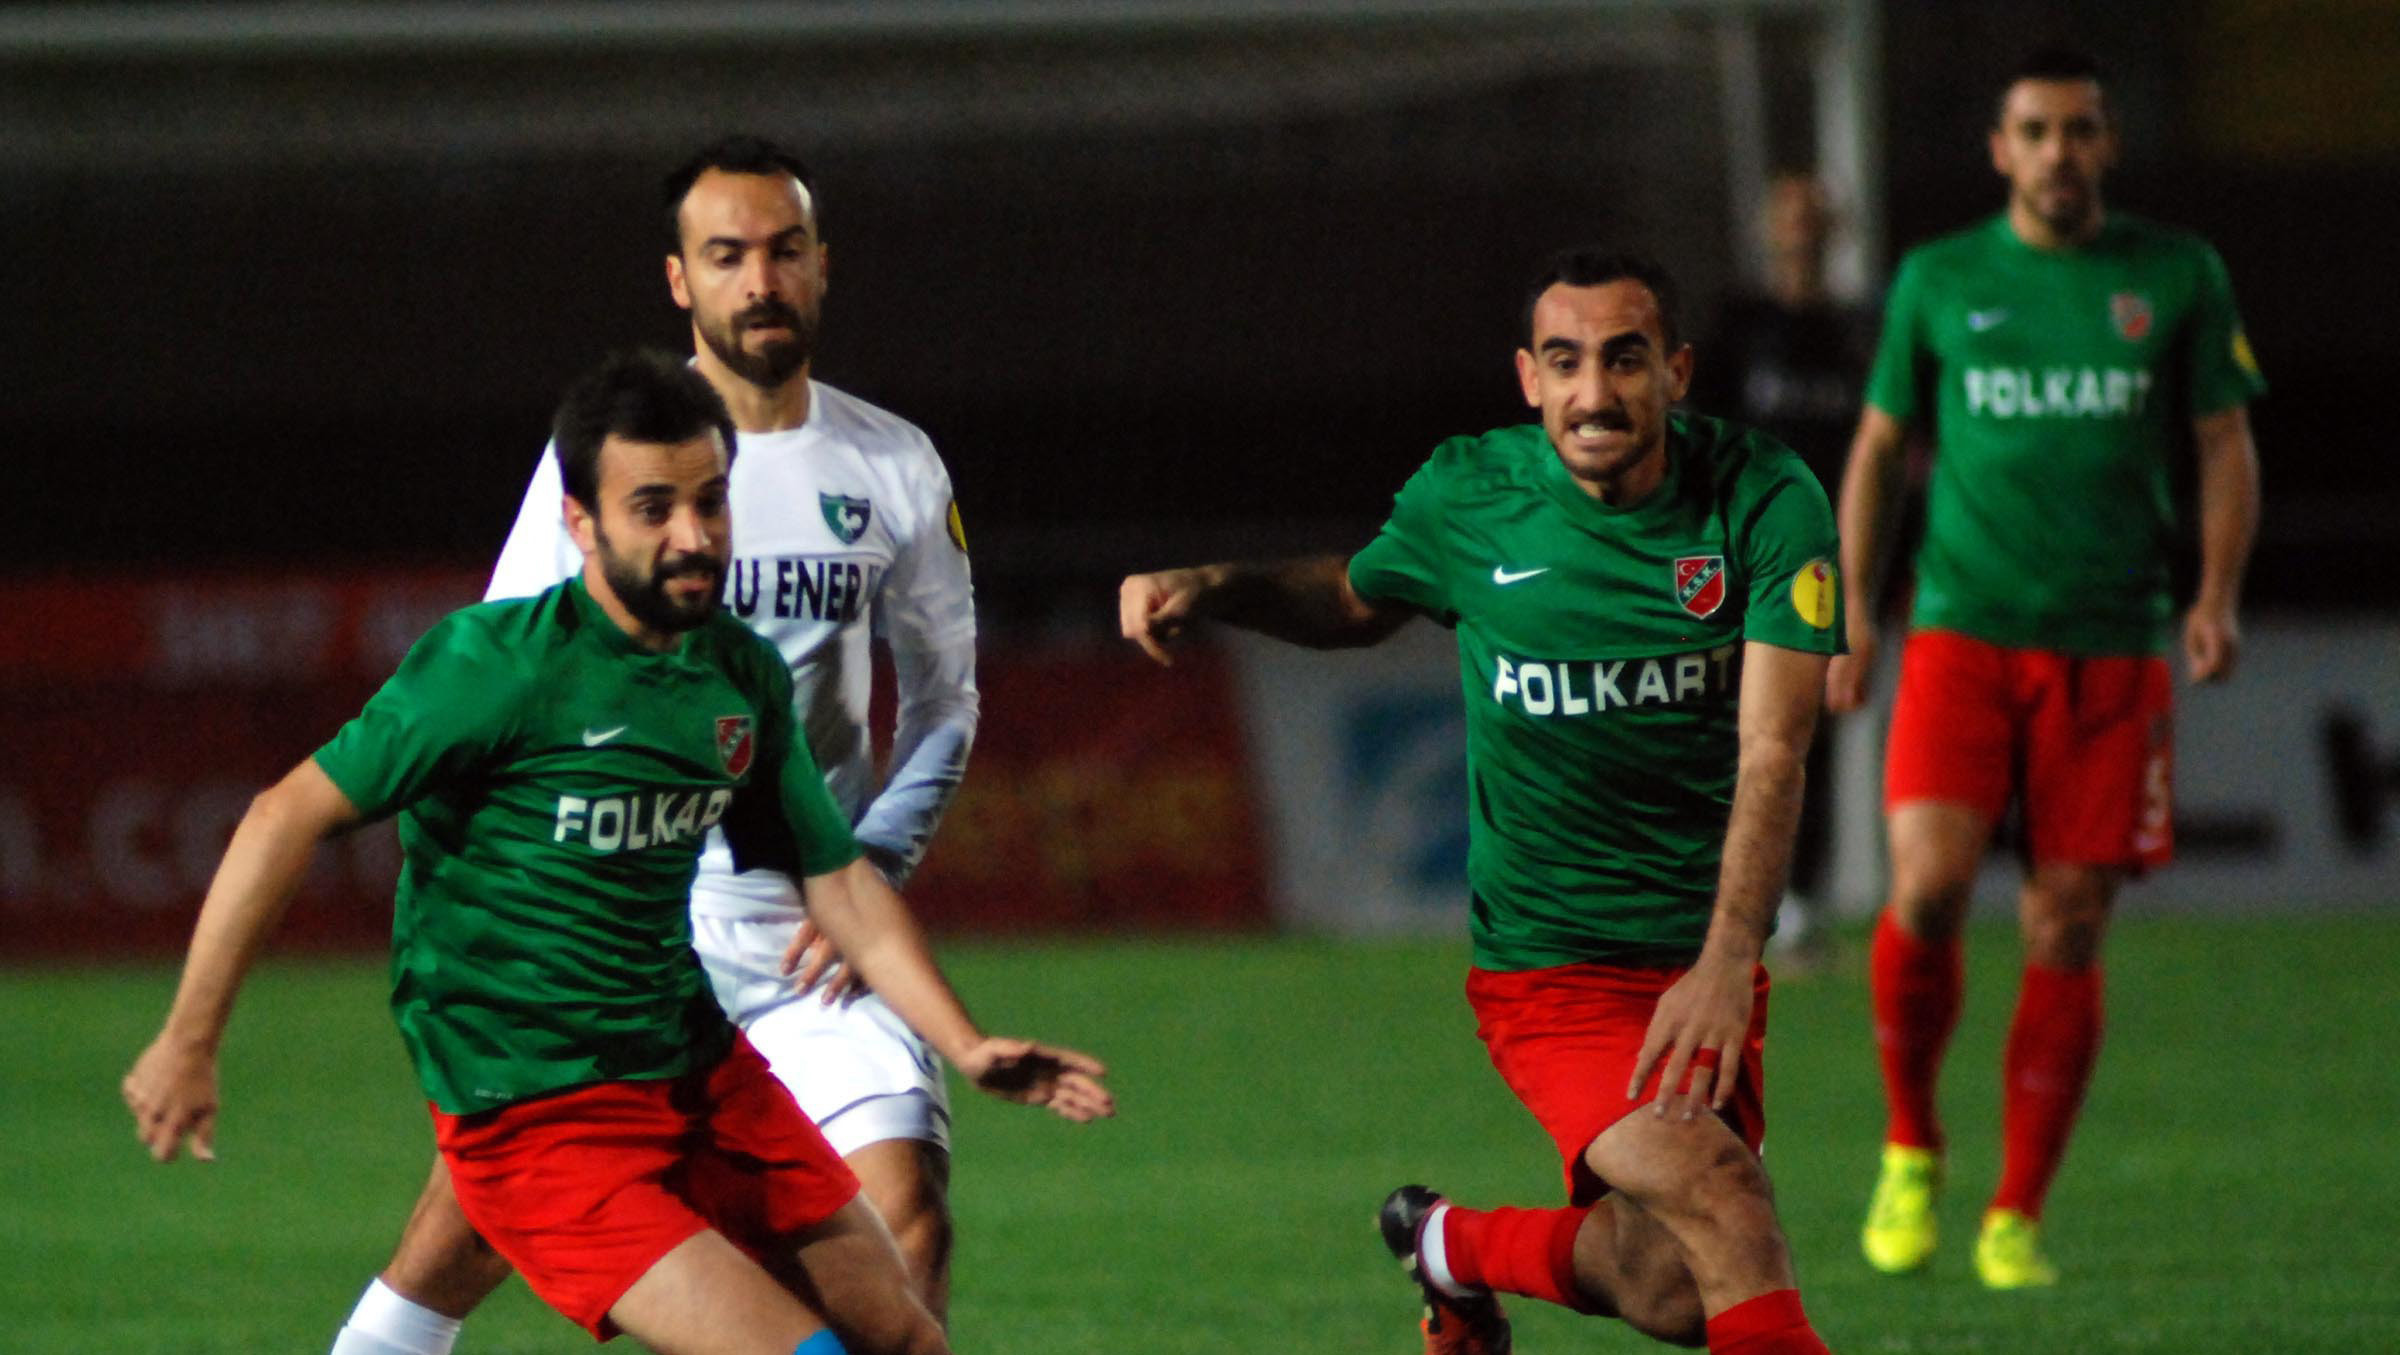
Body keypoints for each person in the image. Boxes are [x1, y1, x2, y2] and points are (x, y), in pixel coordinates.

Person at [122, 350, 1113, 1355]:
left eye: (711, 502)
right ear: (581, 522)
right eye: (653, 509)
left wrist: (965, 1043)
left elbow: (839, 881)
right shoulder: (494, 667)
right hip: (538, 1115)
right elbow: (281, 816)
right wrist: (189, 1039)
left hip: (697, 1074)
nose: (694, 536)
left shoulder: (736, 673)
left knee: (906, 1340)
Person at [325, 136, 989, 1355]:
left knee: (906, 1217)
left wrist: (874, 865)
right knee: (463, 1232)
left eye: (783, 250)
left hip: (804, 924)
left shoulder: (893, 461)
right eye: (727, 255)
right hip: (625, 916)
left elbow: (946, 698)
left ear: (822, 263)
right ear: (681, 279)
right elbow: (509, 686)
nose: (760, 280)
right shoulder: (609, 457)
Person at [1121, 250, 1840, 1355]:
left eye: (1625, 360)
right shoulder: (1470, 495)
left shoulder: (1765, 497)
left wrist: (1726, 961)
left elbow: (1775, 745)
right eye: (1567, 362)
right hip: (1553, 969)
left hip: (1701, 959)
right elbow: (1354, 599)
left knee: (1674, 1289)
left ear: (1678, 371)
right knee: (1726, 1201)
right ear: (1529, 378)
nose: (1594, 392)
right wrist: (1216, 586)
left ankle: (1449, 1245)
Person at [1826, 45, 2265, 1289]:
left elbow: (2223, 441)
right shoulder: (1941, 277)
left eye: (2079, 130)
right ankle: (1911, 1142)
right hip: (1962, 629)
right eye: (2035, 131)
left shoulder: (2176, 274)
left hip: (2112, 642)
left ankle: (2015, 1210)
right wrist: (1850, 603)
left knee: (2067, 920)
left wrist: (2215, 592)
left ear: (2107, 144)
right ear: (2000, 150)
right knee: (1926, 886)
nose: (2058, 152)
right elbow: (1878, 447)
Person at [1695, 172, 1879, 964]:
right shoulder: (1738, 329)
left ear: (1835, 230)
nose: (1801, 230)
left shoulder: (1857, 334)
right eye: (1789, 217)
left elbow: (1884, 457)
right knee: (1723, 731)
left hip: (1822, 572)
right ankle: (1717, 897)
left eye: (1813, 217)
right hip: (1741, 563)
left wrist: (1879, 571)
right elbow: (1698, 442)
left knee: (1808, 737)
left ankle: (1797, 898)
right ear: (1768, 229)